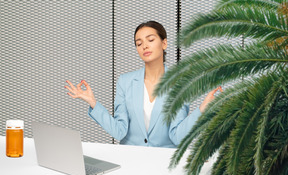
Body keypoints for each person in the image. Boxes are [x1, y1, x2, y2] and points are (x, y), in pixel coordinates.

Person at [65, 21, 222, 148]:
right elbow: (119, 132)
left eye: (151, 40)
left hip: (163, 162)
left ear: (164, 43)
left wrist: (202, 109)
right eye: (138, 43)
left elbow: (177, 136)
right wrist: (93, 103)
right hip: (130, 161)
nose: (144, 46)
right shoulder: (125, 82)